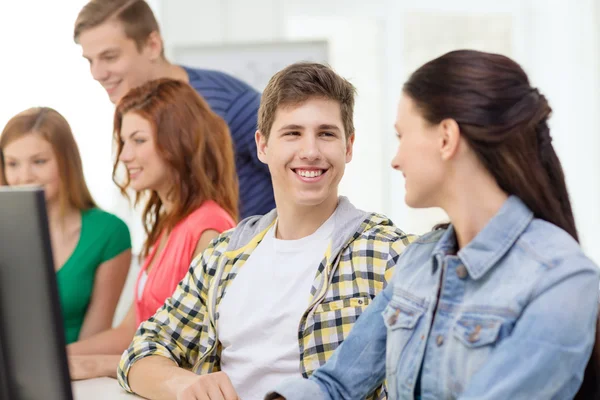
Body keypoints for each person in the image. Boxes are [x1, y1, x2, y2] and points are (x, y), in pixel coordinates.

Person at [266, 49, 600, 400]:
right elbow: (334, 386)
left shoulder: (562, 280)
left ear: (445, 138)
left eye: (401, 136)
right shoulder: (418, 262)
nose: (395, 160)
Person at [115, 62, 414, 400]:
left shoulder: (387, 253)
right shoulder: (223, 256)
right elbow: (141, 351)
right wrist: (184, 383)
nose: (311, 151)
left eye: (326, 133)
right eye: (293, 133)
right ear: (262, 145)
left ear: (348, 146)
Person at [67, 78, 238, 380]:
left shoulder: (210, 229)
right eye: (123, 142)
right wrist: (60, 355)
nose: (124, 155)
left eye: (138, 140)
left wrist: (98, 364)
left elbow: (196, 355)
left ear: (178, 141)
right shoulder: (167, 224)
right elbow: (130, 331)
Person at [73, 0, 274, 219]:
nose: (97, 73)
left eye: (109, 57)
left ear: (152, 46)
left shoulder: (231, 103)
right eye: (90, 61)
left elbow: (298, 178)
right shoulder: (135, 112)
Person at [0, 107, 132, 345]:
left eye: (39, 161)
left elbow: (94, 340)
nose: (25, 176)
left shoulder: (109, 232)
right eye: (12, 164)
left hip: (72, 374)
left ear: (66, 162)